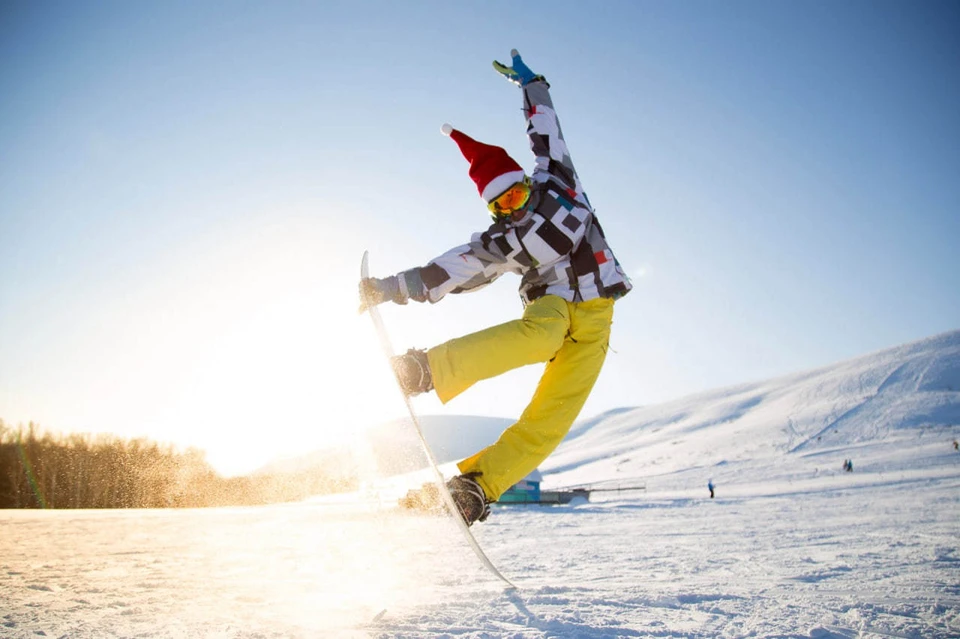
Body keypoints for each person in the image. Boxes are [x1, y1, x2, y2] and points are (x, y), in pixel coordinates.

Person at [359, 50, 631, 526]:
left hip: (596, 318)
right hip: (553, 306)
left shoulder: (559, 182)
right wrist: (390, 287)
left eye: (517, 193)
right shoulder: (501, 241)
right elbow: (451, 269)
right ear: (494, 212)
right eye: (501, 204)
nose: (514, 206)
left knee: (552, 420)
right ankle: (426, 370)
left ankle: (477, 485)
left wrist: (533, 85)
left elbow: (548, 131)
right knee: (540, 337)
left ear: (528, 182)